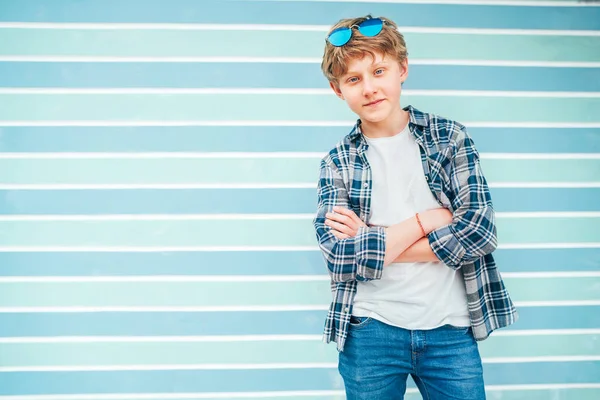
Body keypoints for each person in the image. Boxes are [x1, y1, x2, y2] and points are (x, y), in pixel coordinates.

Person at [312, 15, 518, 400]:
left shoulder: (449, 139)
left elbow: (479, 232)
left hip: (450, 331)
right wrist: (428, 220)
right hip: (370, 330)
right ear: (337, 90)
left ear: (402, 69)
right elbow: (339, 258)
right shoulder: (336, 162)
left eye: (378, 71)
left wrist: (375, 242)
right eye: (354, 79)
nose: (369, 88)